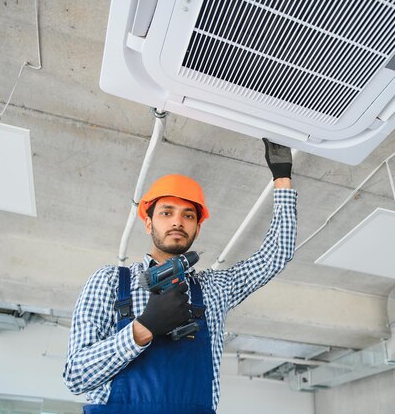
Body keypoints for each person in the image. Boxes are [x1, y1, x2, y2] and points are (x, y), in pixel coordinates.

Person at [63, 139, 297, 414]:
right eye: (166, 212)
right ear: (149, 222)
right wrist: (142, 329)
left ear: (197, 229)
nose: (177, 221)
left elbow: (276, 254)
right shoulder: (111, 281)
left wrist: (282, 177)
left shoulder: (215, 288)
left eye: (188, 215)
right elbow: (76, 376)